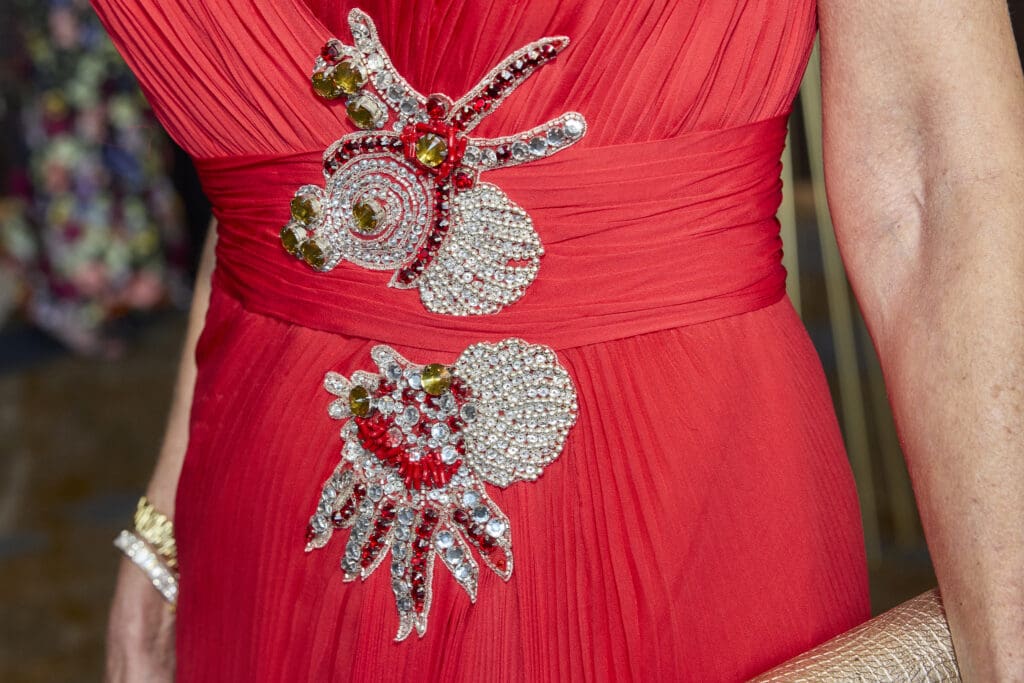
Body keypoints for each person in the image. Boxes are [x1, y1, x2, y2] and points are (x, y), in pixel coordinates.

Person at [96, 0, 1023, 680]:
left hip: (677, 506)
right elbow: (282, 178)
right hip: (262, 512)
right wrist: (169, 503)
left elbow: (943, 181)